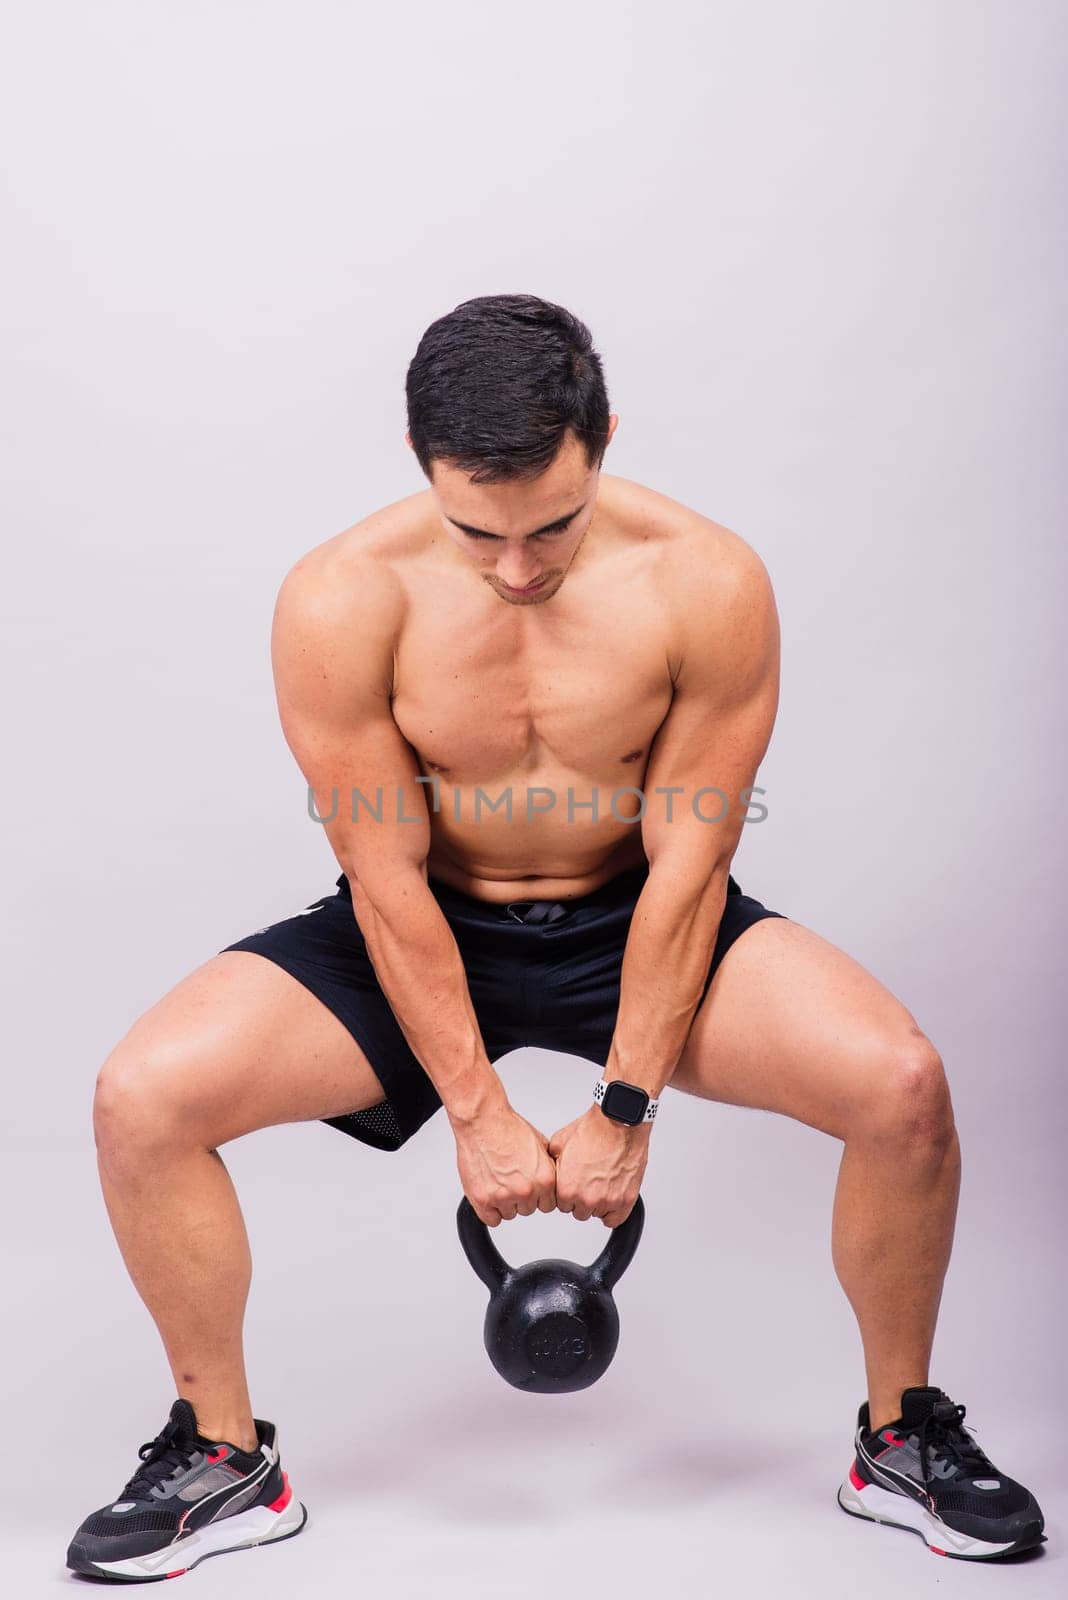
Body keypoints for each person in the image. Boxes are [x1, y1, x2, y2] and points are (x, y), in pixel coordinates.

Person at [68, 294, 1044, 1580]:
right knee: (142, 1098)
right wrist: (474, 1107)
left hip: (639, 916)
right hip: (425, 923)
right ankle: (224, 1454)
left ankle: (899, 1434)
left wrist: (625, 1105)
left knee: (902, 1084)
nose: (519, 569)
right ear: (422, 469)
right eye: (478, 531)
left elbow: (694, 867)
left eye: (556, 526)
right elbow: (384, 875)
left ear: (606, 439)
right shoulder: (339, 600)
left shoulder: (708, 581)